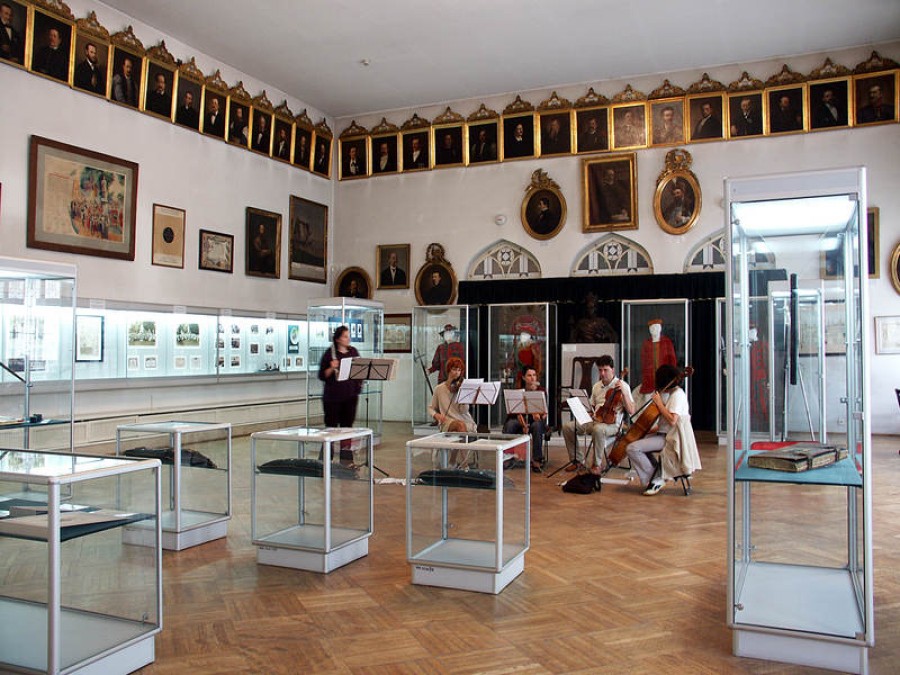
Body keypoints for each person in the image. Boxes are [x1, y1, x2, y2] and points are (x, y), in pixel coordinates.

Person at [625, 364, 699, 495]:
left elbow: (672, 420)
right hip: (664, 434)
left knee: (632, 448)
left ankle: (655, 478)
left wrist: (659, 404)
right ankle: (658, 472)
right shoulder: (672, 394)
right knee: (638, 442)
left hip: (671, 438)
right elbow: (663, 424)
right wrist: (646, 431)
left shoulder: (677, 395)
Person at [562, 354, 634, 475]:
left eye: (605, 370)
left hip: (613, 424)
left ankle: (597, 464)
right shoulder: (596, 386)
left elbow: (631, 410)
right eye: (600, 370)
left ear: (612, 370)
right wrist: (589, 412)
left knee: (598, 429)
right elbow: (591, 406)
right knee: (568, 427)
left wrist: (624, 394)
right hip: (596, 419)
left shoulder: (623, 386)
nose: (602, 373)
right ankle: (578, 460)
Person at [318, 325, 362, 462]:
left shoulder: (353, 351)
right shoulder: (330, 353)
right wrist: (332, 367)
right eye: (345, 336)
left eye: (348, 336)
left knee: (347, 427)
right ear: (338, 339)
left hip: (350, 396)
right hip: (333, 398)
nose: (348, 339)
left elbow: (359, 370)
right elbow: (322, 375)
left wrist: (358, 386)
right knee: (331, 428)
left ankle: (346, 460)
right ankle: (326, 459)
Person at [503, 366, 548, 472]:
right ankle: (508, 457)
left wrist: (539, 415)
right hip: (520, 419)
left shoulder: (541, 391)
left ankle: (537, 459)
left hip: (535, 420)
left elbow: (543, 413)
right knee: (510, 424)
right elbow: (515, 412)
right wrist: (523, 424)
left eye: (534, 375)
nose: (532, 378)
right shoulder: (518, 390)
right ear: (523, 377)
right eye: (529, 375)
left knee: (536, 426)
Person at [427, 357, 476, 433]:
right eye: (454, 369)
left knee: (461, 425)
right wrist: (436, 415)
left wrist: (464, 396)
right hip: (447, 422)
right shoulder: (439, 389)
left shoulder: (462, 387)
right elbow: (431, 408)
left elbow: (463, 411)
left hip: (465, 420)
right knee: (460, 425)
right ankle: (465, 441)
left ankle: (464, 440)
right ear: (448, 370)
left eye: (459, 370)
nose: (457, 373)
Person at [641, 319, 677, 392]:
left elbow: (672, 360)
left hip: (665, 378)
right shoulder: (646, 343)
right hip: (650, 378)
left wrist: (672, 376)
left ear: (660, 328)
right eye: (652, 328)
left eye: (657, 327)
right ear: (650, 330)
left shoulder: (667, 342)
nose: (654, 330)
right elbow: (644, 362)